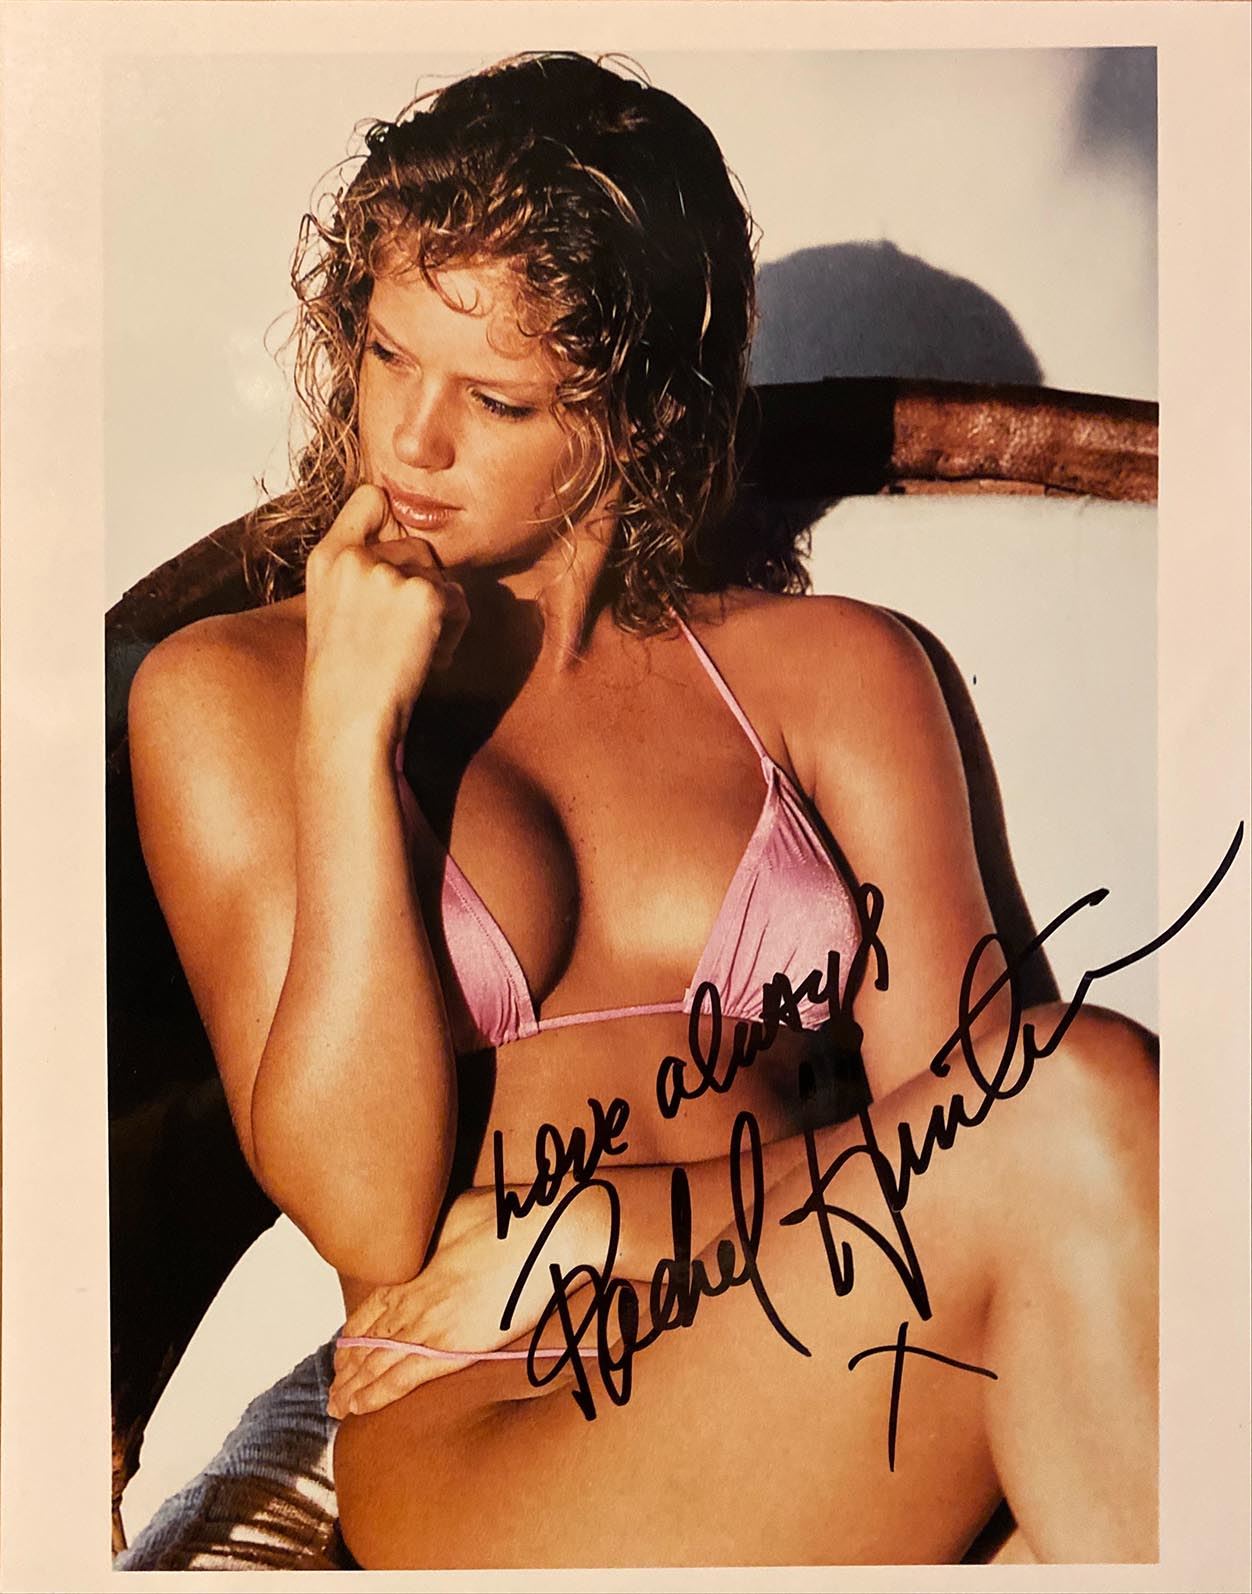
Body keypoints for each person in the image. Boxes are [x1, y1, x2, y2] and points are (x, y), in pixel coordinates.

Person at [128, 51, 1159, 1569]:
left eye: (494, 398)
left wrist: (599, 1224)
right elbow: (368, 1216)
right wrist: (350, 732)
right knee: (1084, 1090)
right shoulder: (233, 692)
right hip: (495, 1429)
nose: (408, 441)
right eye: (387, 354)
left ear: (639, 413)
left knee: (1083, 1108)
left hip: (826, 1357)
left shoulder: (837, 677)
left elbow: (968, 1122)